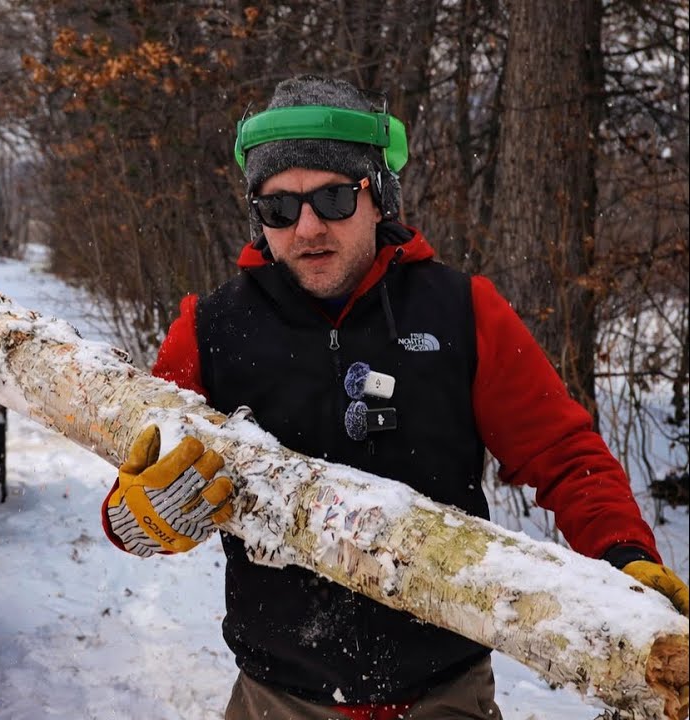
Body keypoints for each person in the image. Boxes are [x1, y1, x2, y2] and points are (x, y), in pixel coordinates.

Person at [99, 75, 689, 720]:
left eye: (332, 198)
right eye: (278, 208)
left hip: (446, 693)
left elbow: (563, 453)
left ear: (379, 198)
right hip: (278, 696)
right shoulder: (210, 329)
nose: (307, 228)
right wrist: (136, 518)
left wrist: (626, 560)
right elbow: (141, 475)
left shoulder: (462, 310)